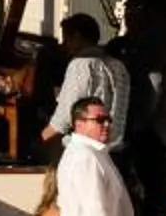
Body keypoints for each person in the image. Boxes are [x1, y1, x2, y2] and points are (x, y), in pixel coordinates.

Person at [54, 98, 133, 216]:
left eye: (108, 120)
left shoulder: (94, 152)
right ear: (79, 124)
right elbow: (93, 207)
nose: (106, 125)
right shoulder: (85, 157)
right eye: (100, 120)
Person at [41, 13, 130, 148]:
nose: (64, 45)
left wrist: (43, 137)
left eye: (67, 39)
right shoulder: (119, 66)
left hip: (84, 148)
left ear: (76, 37)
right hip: (114, 149)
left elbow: (65, 117)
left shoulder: (81, 65)